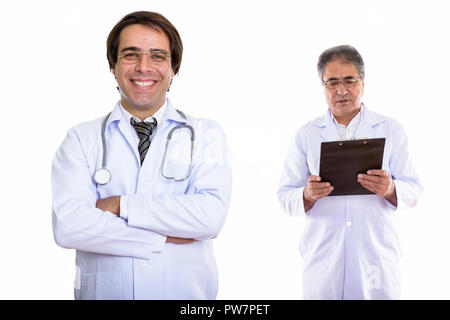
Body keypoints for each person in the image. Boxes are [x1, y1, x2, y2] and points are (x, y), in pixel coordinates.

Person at [51, 11, 231, 300]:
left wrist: (118, 204)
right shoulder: (80, 139)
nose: (143, 67)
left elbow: (209, 218)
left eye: (158, 56)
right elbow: (69, 227)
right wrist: (161, 237)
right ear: (113, 64)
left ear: (174, 68)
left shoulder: (206, 135)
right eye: (131, 54)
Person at [277, 45, 422, 299]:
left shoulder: (391, 129)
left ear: (363, 83)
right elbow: (285, 196)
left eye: (349, 81)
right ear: (323, 86)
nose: (341, 90)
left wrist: (390, 189)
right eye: (332, 82)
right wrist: (307, 194)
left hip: (375, 260)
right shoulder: (307, 134)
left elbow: (415, 191)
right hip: (324, 261)